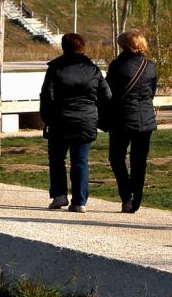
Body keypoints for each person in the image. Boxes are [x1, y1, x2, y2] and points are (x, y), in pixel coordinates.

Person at [39, 32, 111, 213]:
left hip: (60, 120)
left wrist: (46, 119)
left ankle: (59, 196)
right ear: (82, 48)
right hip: (86, 120)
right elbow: (107, 95)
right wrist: (96, 113)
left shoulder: (55, 68)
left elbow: (47, 96)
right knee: (80, 160)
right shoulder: (93, 70)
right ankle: (79, 201)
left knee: (57, 159)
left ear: (64, 48)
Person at [105, 30, 158, 214]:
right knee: (139, 160)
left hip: (122, 119)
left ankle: (126, 195)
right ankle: (137, 198)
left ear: (124, 45)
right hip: (146, 119)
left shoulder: (118, 65)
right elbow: (152, 91)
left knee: (117, 157)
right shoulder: (149, 65)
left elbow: (108, 92)